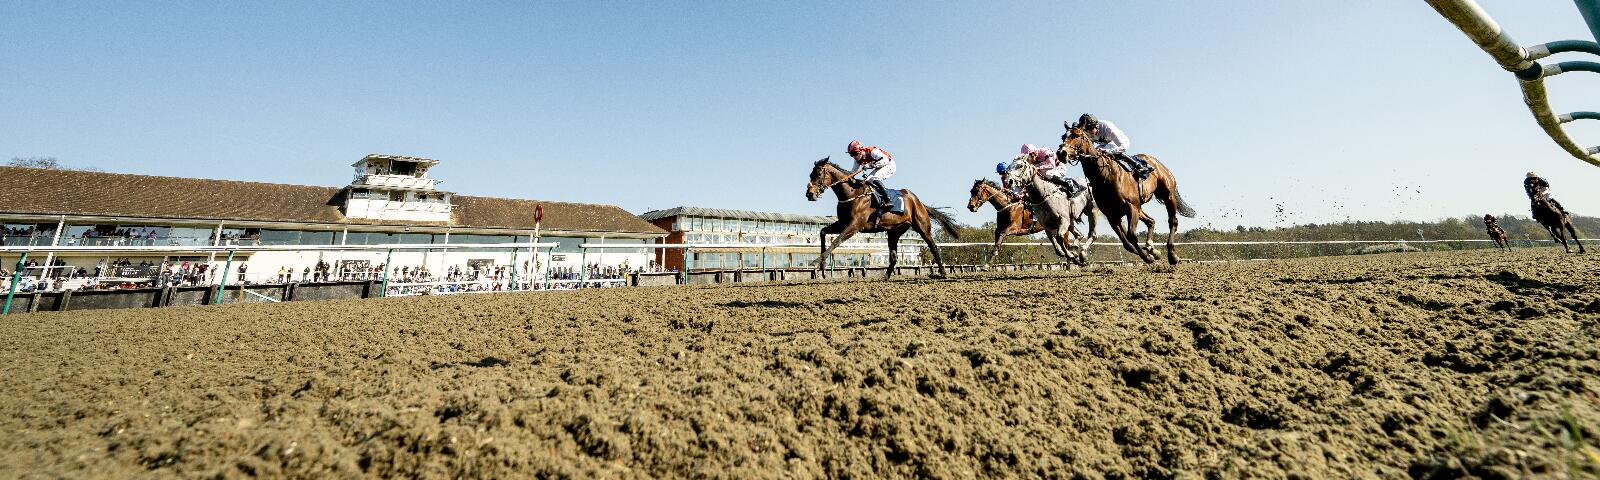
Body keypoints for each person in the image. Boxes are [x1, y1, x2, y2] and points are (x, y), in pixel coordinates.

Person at [1077, 113, 1151, 180]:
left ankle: (1139, 165)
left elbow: (1122, 146)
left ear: (1096, 126)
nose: (1088, 132)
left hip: (1120, 142)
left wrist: (1107, 151)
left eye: (1089, 129)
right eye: (1085, 130)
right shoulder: (1086, 131)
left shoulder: (1107, 127)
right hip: (1105, 144)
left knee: (1106, 149)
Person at [846, 140, 895, 212]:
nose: (854, 156)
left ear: (861, 150)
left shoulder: (872, 151)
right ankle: (876, 201)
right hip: (879, 167)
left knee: (875, 178)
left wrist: (871, 165)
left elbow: (887, 159)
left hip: (889, 165)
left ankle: (888, 200)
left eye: (855, 153)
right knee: (867, 180)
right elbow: (853, 172)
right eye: (851, 154)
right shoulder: (857, 160)